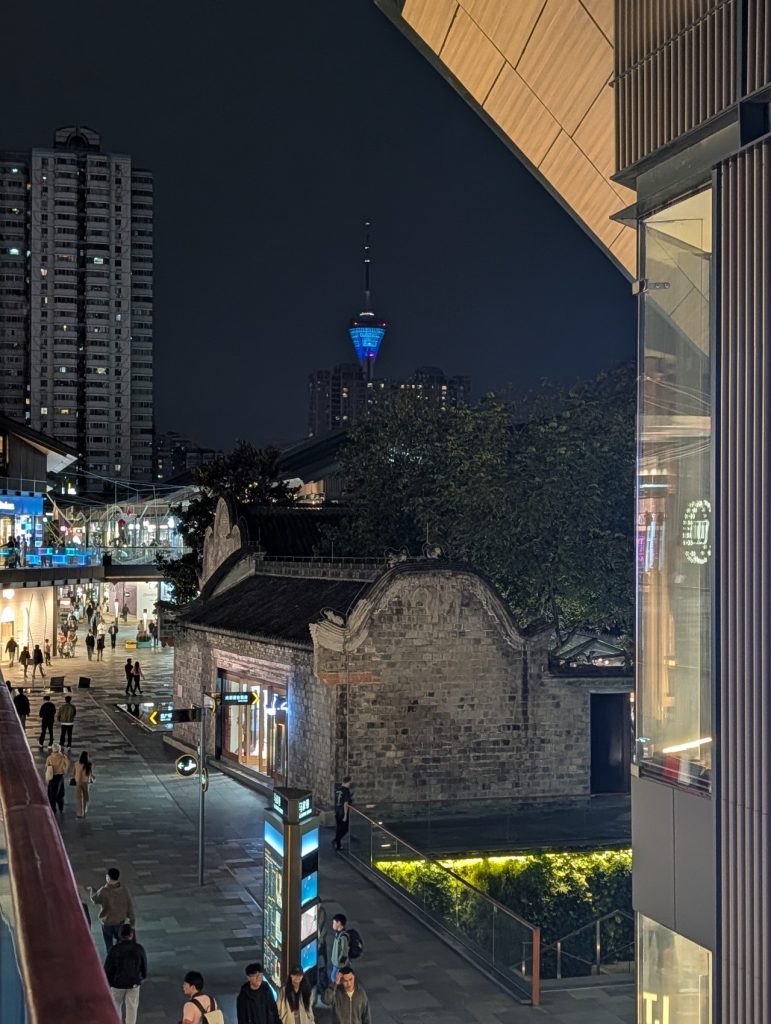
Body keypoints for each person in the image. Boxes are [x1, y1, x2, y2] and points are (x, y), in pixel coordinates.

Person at [104, 922, 147, 1024]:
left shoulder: (114, 950)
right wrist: (142, 977)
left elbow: (107, 968)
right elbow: (144, 965)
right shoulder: (138, 948)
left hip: (117, 984)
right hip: (134, 983)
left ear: (120, 935)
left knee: (116, 1006)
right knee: (132, 1008)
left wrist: (109, 982)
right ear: (131, 935)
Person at [89, 868, 136, 952]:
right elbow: (129, 904)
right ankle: (119, 955)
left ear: (108, 878)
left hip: (107, 922)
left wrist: (92, 890)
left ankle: (111, 956)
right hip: (120, 921)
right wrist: (131, 919)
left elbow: (95, 899)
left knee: (108, 943)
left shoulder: (104, 891)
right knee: (120, 940)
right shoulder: (123, 889)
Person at [45, 742, 69, 815]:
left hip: (52, 777)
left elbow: (46, 766)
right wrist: (64, 770)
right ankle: (61, 808)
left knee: (51, 794)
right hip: (60, 777)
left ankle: (53, 809)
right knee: (60, 793)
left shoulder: (49, 758)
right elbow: (67, 764)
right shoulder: (63, 757)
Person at [73, 749, 94, 817]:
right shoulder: (89, 764)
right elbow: (90, 773)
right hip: (86, 782)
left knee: (79, 798)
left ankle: (80, 813)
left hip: (78, 781)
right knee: (86, 796)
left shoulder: (76, 764)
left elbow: (74, 773)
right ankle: (85, 809)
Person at [334, 776, 352, 851]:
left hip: (337, 811)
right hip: (342, 812)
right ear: (348, 782)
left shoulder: (337, 789)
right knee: (345, 828)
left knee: (339, 828)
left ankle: (337, 842)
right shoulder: (346, 791)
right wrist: (345, 815)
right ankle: (337, 840)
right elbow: (345, 804)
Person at [329, 915, 350, 983]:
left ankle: (338, 991)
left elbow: (344, 952)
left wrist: (339, 963)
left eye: (334, 923)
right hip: (336, 963)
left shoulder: (343, 937)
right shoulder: (338, 934)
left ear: (339, 923)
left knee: (334, 978)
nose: (333, 925)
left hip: (338, 965)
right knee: (334, 978)